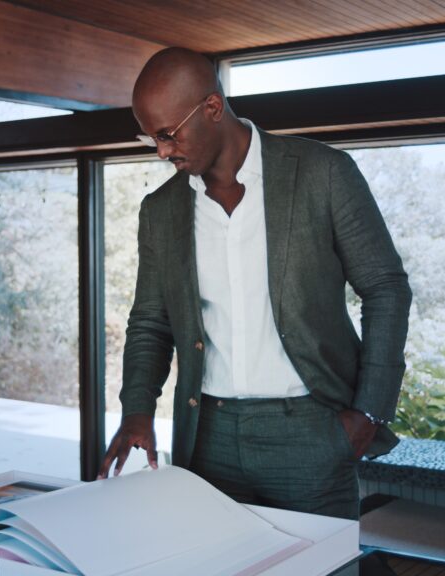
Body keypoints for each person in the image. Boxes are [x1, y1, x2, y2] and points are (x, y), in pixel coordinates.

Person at [99, 47, 411, 520]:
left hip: (312, 430)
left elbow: (386, 288)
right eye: (151, 138)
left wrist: (369, 413)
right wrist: (137, 409)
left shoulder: (323, 174)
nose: (162, 151)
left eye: (168, 134)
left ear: (212, 108)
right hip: (207, 437)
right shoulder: (159, 211)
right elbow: (150, 322)